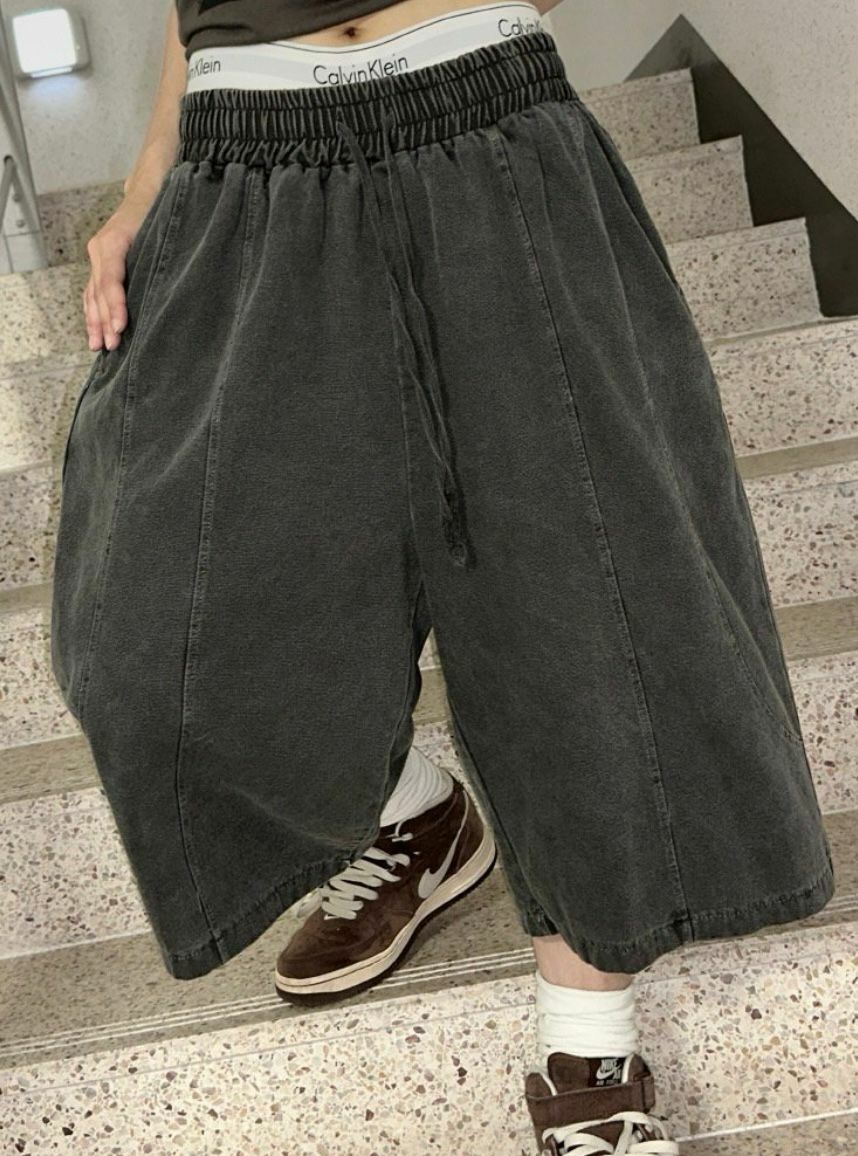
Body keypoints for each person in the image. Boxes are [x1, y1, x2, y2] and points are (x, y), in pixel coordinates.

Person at [51, 1, 835, 1152]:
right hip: (240, 169)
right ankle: (417, 813)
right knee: (141, 641)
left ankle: (589, 1059)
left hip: (486, 123)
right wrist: (138, 193)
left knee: (570, 600)